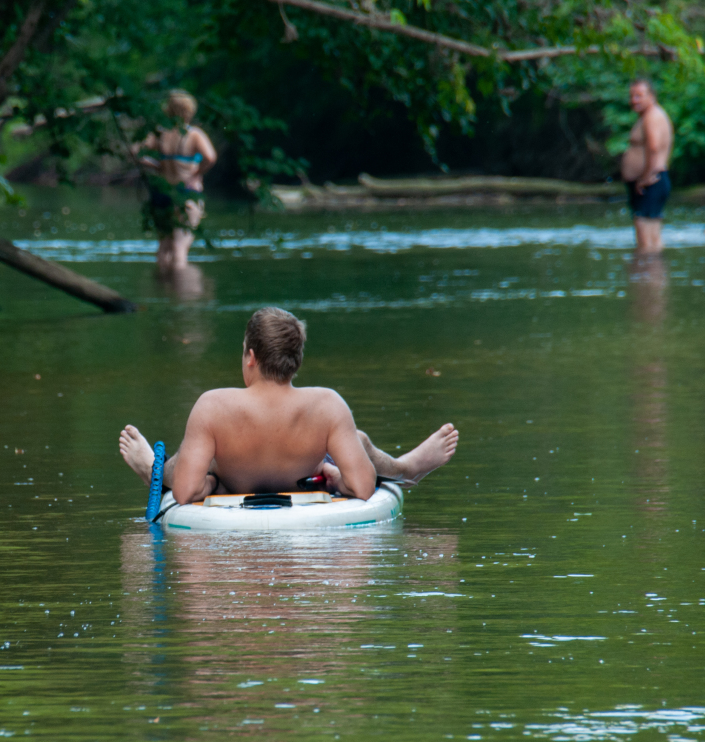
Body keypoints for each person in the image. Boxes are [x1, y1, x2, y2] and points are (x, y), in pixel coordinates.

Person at [118, 307, 459, 505]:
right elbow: (362, 488)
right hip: (301, 473)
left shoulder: (213, 405)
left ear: (250, 357)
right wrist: (335, 478)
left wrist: (213, 485)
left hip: (235, 479)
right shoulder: (327, 404)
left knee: (189, 459)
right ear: (297, 361)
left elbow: (185, 492)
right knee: (360, 441)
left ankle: (152, 470)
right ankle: (404, 470)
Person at [134, 90, 217, 272]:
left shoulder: (159, 133)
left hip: (162, 192)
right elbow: (210, 157)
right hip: (186, 191)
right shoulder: (194, 134)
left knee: (163, 246)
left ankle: (163, 287)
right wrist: (196, 174)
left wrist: (158, 165)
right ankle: (181, 288)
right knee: (180, 247)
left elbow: (135, 152)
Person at [621, 79, 674, 254]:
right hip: (652, 180)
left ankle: (647, 270)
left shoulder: (652, 117)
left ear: (651, 96)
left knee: (646, 240)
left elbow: (654, 147)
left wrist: (645, 178)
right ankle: (650, 270)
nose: (634, 100)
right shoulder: (650, 116)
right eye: (632, 96)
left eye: (639, 96)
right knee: (650, 238)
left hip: (651, 182)